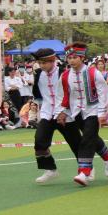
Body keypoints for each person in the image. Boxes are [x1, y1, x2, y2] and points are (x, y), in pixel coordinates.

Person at [59, 42, 108, 186]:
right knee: (92, 137)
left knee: (87, 139)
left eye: (75, 57)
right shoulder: (65, 76)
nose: (72, 60)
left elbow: (103, 92)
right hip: (76, 111)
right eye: (69, 58)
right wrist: (63, 111)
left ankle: (84, 172)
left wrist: (102, 112)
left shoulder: (93, 73)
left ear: (82, 58)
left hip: (93, 110)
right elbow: (64, 95)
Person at [30, 48, 81, 183]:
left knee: (75, 143)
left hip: (65, 113)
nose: (41, 65)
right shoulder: (38, 74)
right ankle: (50, 169)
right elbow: (38, 94)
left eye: (44, 63)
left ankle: (85, 169)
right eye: (40, 63)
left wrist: (65, 111)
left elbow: (72, 94)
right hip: (47, 113)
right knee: (39, 141)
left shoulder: (64, 72)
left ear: (53, 61)